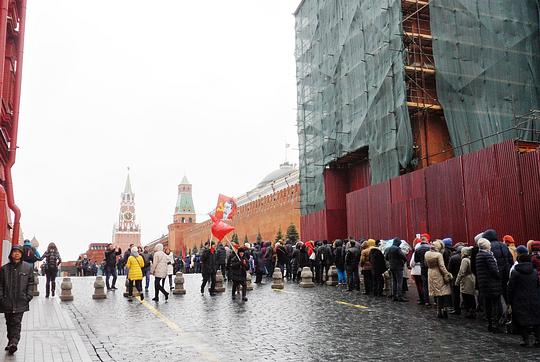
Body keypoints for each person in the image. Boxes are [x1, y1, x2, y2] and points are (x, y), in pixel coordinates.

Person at [0, 246, 34, 355]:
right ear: (11, 254)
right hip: (7, 301)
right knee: (9, 322)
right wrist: (1, 297)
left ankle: (14, 342)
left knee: (16, 322)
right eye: (14, 252)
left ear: (21, 254)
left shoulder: (27, 267)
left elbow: (30, 283)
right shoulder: (4, 269)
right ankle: (10, 342)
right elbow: (0, 285)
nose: (16, 254)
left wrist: (28, 296)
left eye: (19, 252)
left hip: (21, 301)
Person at [507, 245, 540, 347]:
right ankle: (538, 339)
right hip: (534, 298)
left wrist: (509, 301)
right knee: (536, 319)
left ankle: (526, 340)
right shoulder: (534, 272)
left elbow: (510, 287)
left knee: (522, 320)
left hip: (519, 299)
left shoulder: (515, 272)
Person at [476, 238, 503, 333]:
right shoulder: (487, 255)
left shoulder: (479, 255)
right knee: (495, 304)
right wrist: (500, 276)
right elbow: (494, 270)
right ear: (487, 246)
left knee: (487, 305)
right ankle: (496, 325)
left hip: (484, 284)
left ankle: (490, 324)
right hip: (492, 284)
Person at [483, 229, 513, 303]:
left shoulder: (488, 247)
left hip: (495, 274)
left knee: (497, 295)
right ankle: (509, 308)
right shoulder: (504, 245)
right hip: (506, 272)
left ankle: (500, 311)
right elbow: (510, 259)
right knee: (506, 291)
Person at [425, 240, 453, 318]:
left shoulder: (427, 253)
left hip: (430, 273)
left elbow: (425, 264)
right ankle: (444, 310)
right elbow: (442, 266)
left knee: (437, 294)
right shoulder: (438, 255)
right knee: (443, 293)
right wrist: (447, 274)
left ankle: (438, 311)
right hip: (438, 274)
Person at [455, 247, 476, 319]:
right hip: (472, 278)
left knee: (466, 296)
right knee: (471, 296)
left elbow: (462, 272)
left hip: (466, 280)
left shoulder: (464, 260)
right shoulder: (471, 259)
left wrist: (457, 281)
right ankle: (473, 311)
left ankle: (469, 312)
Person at [414, 235, 431, 305]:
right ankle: (436, 301)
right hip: (430, 267)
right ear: (426, 241)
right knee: (432, 283)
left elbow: (416, 260)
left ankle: (426, 301)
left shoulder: (417, 249)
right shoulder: (430, 247)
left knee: (424, 285)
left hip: (423, 268)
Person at [448, 244, 464, 314]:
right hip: (464, 278)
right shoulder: (466, 258)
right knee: (465, 294)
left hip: (455, 277)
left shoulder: (453, 258)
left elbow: (449, 269)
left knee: (455, 294)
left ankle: (456, 309)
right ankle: (466, 307)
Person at [410, 238, 425, 304]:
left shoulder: (415, 252)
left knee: (419, 285)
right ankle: (426, 298)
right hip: (424, 270)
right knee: (424, 285)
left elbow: (412, 263)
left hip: (416, 271)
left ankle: (421, 299)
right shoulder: (426, 251)